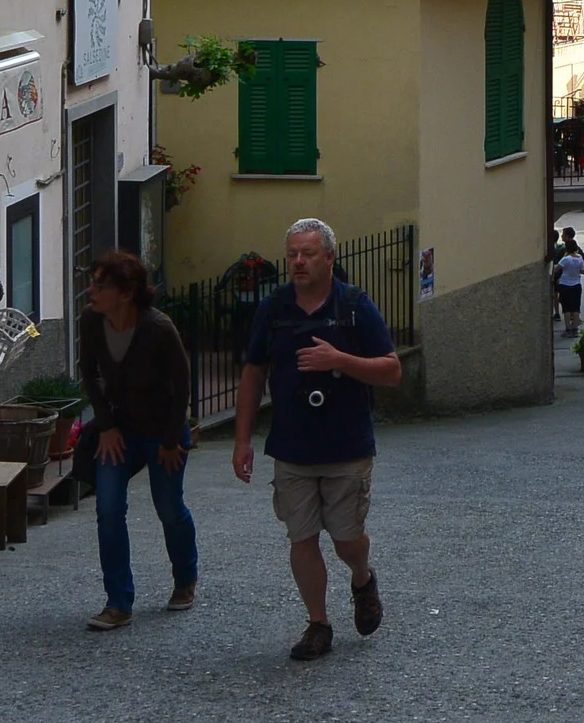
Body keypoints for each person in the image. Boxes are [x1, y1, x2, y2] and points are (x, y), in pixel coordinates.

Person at [232, 218, 403, 663]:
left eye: (307, 253)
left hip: (347, 445)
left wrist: (339, 359)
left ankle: (362, 578)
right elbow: (252, 374)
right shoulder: (274, 309)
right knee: (302, 538)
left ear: (330, 257)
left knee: (347, 540)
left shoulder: (355, 306)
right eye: (292, 254)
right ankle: (318, 624)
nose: (298, 262)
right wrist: (242, 439)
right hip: (292, 447)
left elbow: (391, 370)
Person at [76, 249, 197, 631]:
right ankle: (118, 603)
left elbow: (182, 385)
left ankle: (185, 577)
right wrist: (106, 426)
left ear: (127, 293)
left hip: (163, 431)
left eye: (101, 285)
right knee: (109, 508)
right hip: (120, 429)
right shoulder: (90, 321)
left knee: (168, 507)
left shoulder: (158, 328)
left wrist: (171, 440)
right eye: (92, 282)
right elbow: (90, 375)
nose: (91, 291)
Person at [554, 242, 584, 339]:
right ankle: (575, 329)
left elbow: (556, 269)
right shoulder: (580, 258)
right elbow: (583, 271)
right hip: (576, 285)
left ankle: (568, 329)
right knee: (576, 308)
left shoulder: (566, 259)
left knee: (566, 309)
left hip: (565, 285)